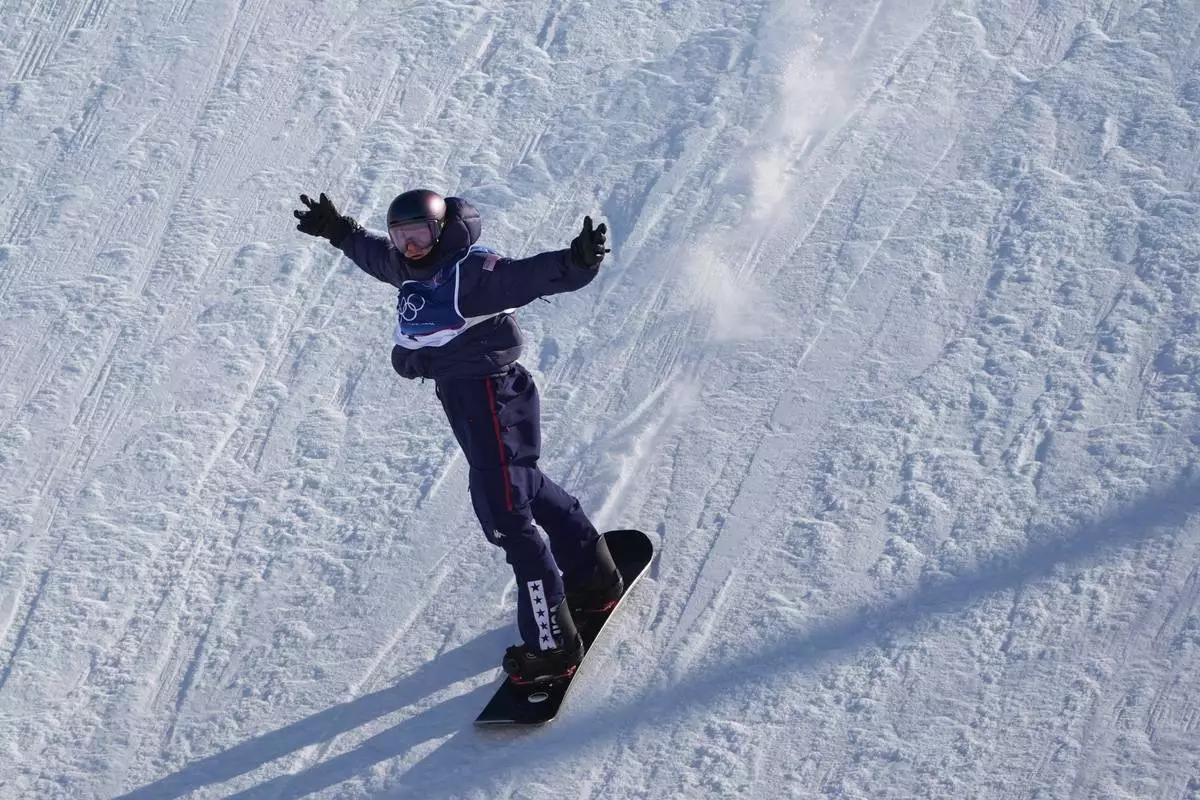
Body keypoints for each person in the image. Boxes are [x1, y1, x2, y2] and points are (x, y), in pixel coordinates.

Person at [293, 189, 623, 684]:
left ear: (443, 229)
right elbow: (375, 257)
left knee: (506, 517)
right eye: (403, 237)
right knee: (521, 483)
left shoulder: (472, 275)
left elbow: (529, 275)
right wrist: (338, 230)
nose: (411, 246)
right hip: (468, 399)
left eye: (421, 234)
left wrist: (577, 263)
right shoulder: (409, 268)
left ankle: (553, 647)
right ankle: (593, 575)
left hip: (493, 398)